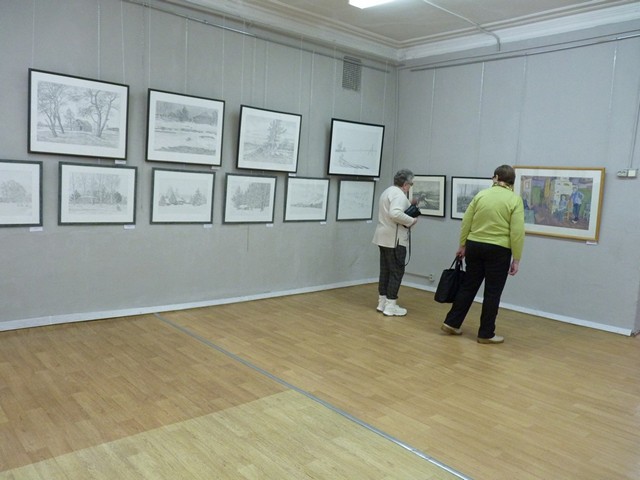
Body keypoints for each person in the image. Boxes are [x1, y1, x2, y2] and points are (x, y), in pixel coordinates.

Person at [441, 165, 524, 344]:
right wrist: (516, 259)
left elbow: (466, 221)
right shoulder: (514, 200)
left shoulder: (481, 195)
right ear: (512, 181)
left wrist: (462, 244)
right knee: (492, 293)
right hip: (499, 250)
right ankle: (486, 334)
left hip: (475, 245)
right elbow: (517, 232)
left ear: (496, 178)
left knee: (468, 286)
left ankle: (451, 322)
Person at [372, 169, 418, 316]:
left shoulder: (388, 191)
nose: (410, 187)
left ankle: (382, 302)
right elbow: (395, 213)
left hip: (383, 236)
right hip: (394, 239)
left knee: (385, 270)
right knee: (397, 271)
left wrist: (409, 206)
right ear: (405, 184)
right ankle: (391, 305)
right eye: (411, 184)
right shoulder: (399, 195)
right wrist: (412, 220)